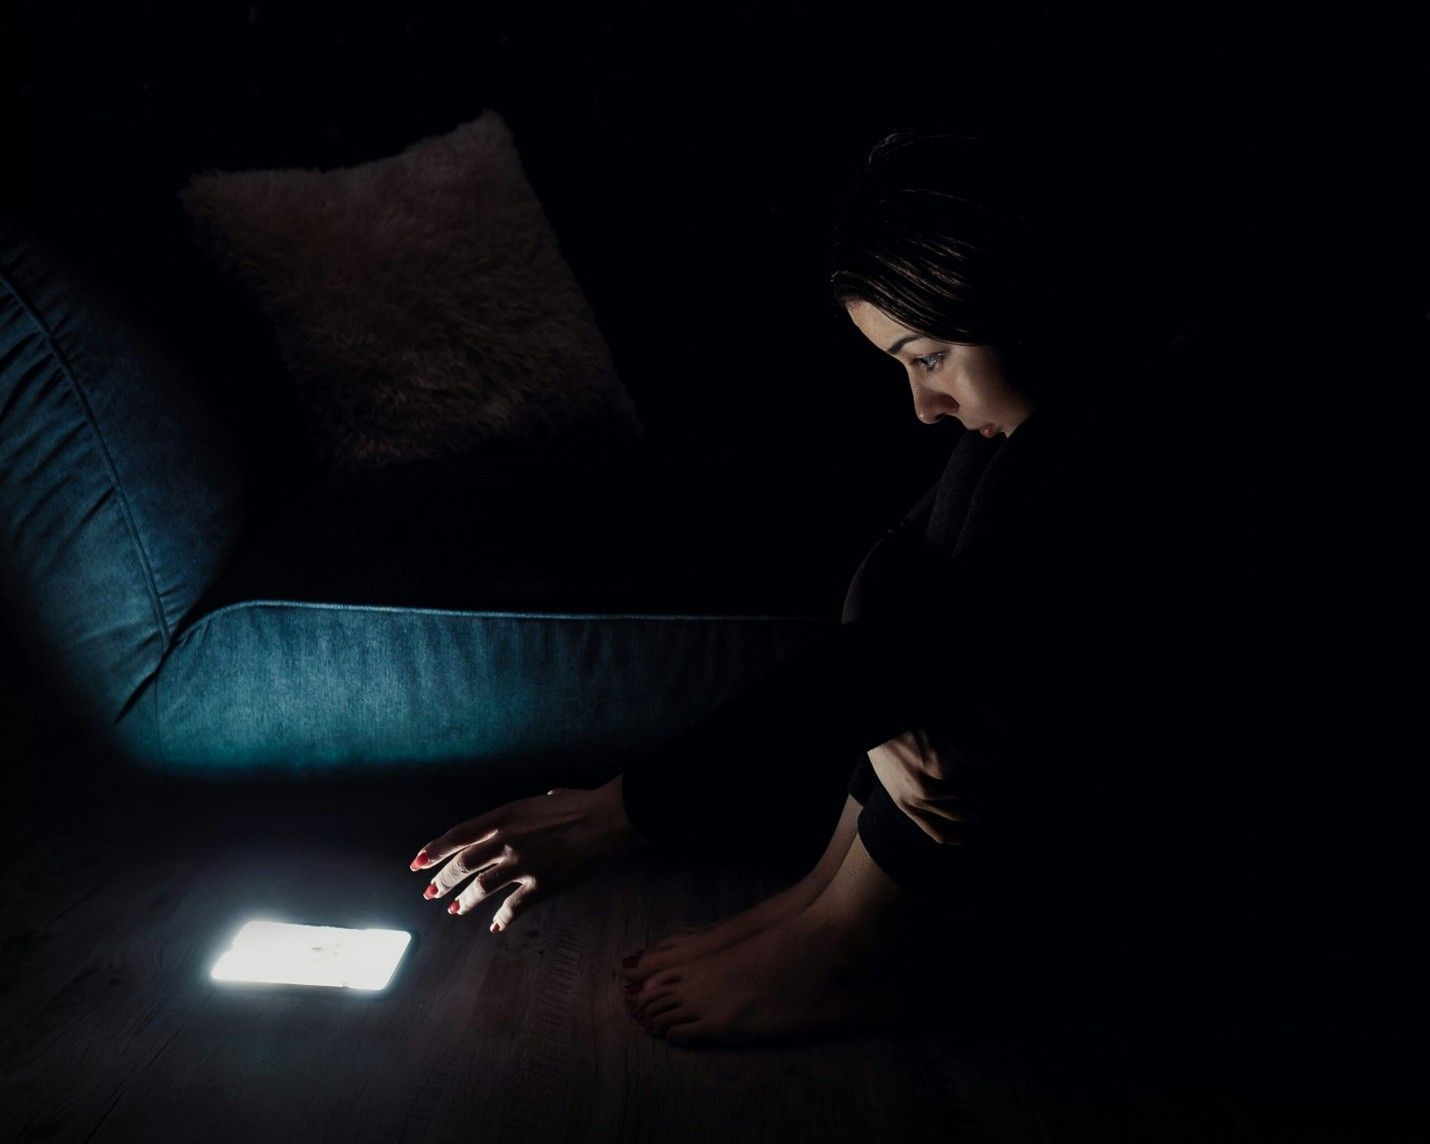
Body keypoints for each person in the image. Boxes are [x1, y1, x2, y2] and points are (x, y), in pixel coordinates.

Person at [407, 130, 1147, 1046]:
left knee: (931, 647)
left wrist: (622, 812)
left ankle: (863, 938)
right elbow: (903, 598)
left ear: (1020, 300)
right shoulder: (1053, 429)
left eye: (927, 357)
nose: (924, 406)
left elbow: (927, 650)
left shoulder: (1135, 436)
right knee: (932, 550)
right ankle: (833, 891)